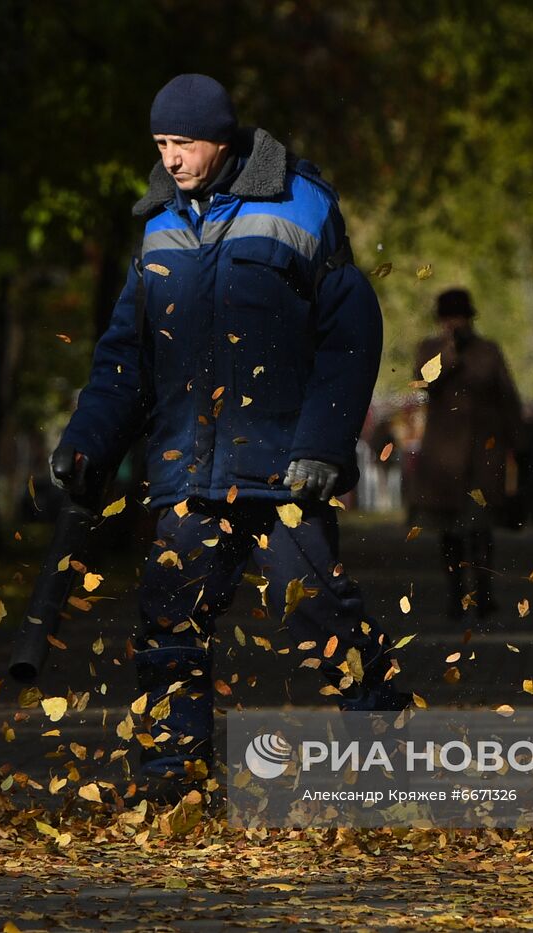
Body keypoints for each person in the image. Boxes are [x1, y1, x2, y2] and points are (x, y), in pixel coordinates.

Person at [49, 74, 409, 799]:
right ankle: (172, 785)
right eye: (160, 146)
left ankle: (391, 771)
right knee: (168, 622)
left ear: (220, 138)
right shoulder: (158, 226)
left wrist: (322, 446)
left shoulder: (302, 205)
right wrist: (88, 441)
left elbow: (350, 334)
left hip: (282, 470)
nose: (171, 159)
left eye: (182, 144)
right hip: (188, 472)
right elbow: (127, 354)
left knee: (319, 614)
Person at [411, 289, 521, 619]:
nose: (455, 324)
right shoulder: (429, 351)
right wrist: (449, 352)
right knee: (449, 533)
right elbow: (425, 383)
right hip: (444, 461)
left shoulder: (488, 352)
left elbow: (506, 398)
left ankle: (484, 593)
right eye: (449, 318)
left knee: (481, 530)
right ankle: (455, 592)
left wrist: (517, 445)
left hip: (483, 456)